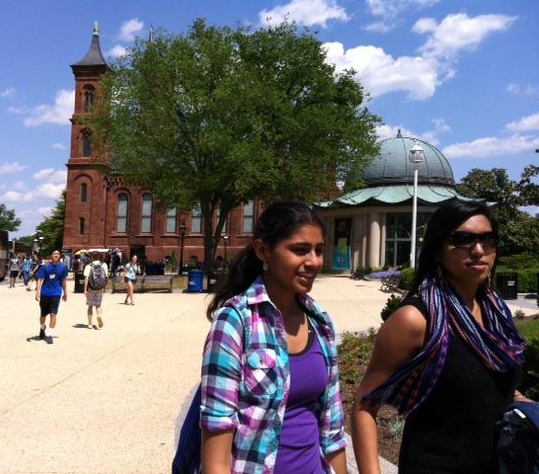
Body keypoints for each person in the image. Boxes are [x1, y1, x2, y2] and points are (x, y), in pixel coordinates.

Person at [352, 199, 532, 474]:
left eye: (488, 239)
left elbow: (483, 382)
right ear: (437, 250)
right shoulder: (416, 319)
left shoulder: (495, 310)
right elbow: (365, 404)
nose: (478, 250)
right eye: (462, 239)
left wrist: (518, 398)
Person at [200, 201, 347, 474]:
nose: (313, 261)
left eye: (319, 250)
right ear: (263, 250)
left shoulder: (320, 321)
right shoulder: (235, 322)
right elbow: (216, 450)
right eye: (300, 250)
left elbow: (333, 430)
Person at [35, 250, 68, 344]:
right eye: (54, 254)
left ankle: (49, 334)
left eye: (57, 254)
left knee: (53, 314)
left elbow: (64, 280)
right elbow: (40, 279)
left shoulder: (63, 267)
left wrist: (65, 293)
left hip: (56, 293)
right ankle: (42, 328)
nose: (56, 255)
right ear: (51, 256)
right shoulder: (45, 266)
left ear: (60, 256)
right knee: (43, 315)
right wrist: (37, 292)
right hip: (45, 293)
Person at [83, 252, 109, 329]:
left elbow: (86, 278)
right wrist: (104, 286)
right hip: (100, 288)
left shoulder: (89, 266)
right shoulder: (104, 265)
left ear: (92, 257)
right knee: (98, 305)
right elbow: (106, 276)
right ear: (99, 257)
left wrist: (85, 290)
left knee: (90, 305)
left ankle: (90, 324)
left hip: (91, 287)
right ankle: (99, 316)